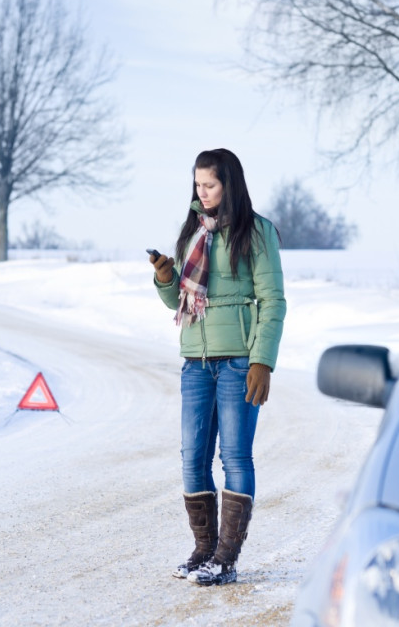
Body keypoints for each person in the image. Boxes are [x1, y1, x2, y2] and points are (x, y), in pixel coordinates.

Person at [149, 148, 286, 586]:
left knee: (235, 456)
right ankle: (203, 550)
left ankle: (226, 556)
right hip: (195, 361)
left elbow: (273, 301)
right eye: (197, 185)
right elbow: (180, 302)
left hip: (238, 360)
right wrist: (166, 277)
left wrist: (262, 360)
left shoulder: (257, 232)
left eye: (209, 184)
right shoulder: (193, 231)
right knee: (193, 458)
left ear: (229, 183)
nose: (201, 193)